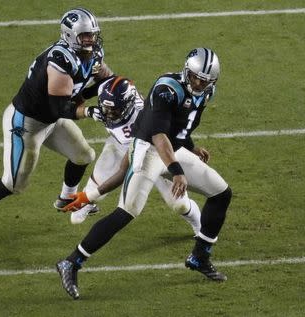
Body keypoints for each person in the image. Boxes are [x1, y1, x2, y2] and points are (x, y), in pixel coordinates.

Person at [56, 48, 232, 300]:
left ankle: (199, 256)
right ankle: (71, 262)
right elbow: (159, 136)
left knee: (222, 193)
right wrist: (177, 172)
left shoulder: (206, 92)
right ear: (187, 71)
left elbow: (180, 126)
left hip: (172, 148)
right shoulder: (166, 90)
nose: (199, 83)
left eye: (205, 80)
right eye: (195, 77)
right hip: (148, 149)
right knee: (127, 212)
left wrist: (191, 147)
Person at [0, 7, 113, 242]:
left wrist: (112, 85)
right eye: (85, 35)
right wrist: (89, 111)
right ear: (69, 35)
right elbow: (60, 107)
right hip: (26, 123)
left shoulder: (93, 53)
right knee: (13, 183)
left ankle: (67, 198)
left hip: (51, 119)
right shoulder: (60, 60)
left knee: (83, 155)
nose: (90, 40)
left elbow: (91, 84)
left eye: (92, 34)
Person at [59, 75, 201, 236]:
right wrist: (86, 108)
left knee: (179, 204)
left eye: (114, 110)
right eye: (106, 108)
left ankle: (200, 226)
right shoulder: (109, 92)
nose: (109, 113)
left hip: (152, 153)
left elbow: (171, 132)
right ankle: (90, 203)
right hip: (119, 144)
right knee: (82, 207)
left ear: (128, 104)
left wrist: (191, 147)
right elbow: (102, 81)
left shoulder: (144, 117)